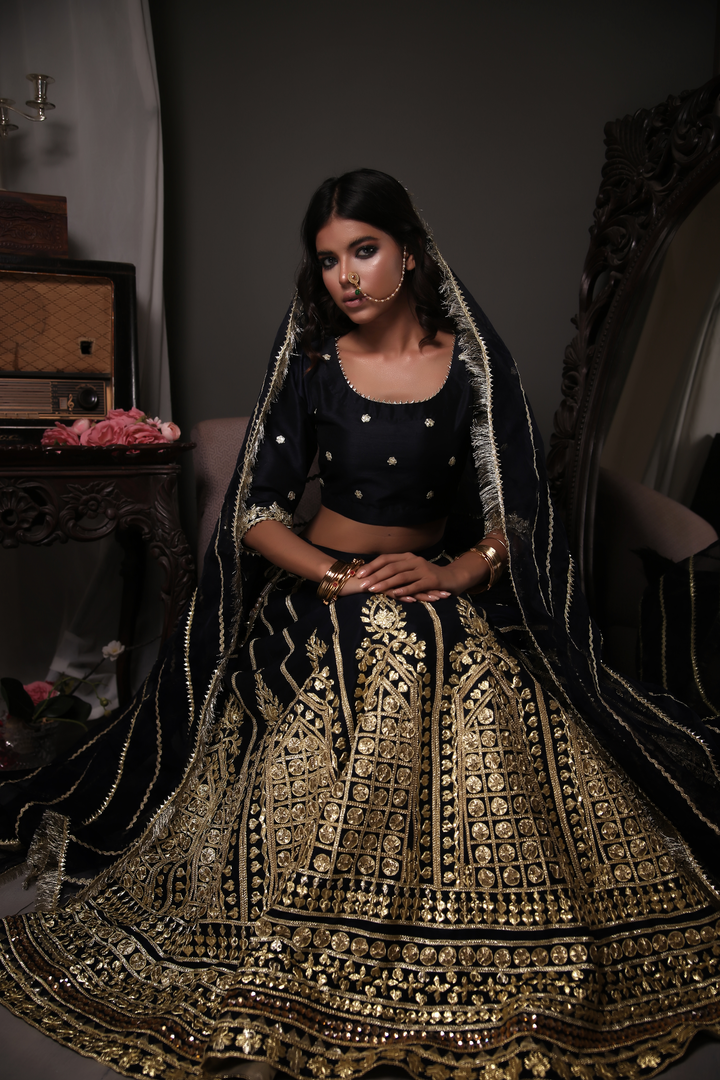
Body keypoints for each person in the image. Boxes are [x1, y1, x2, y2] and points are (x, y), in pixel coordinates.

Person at [0, 168, 719, 1080]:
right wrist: (338, 577)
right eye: (329, 259)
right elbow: (256, 513)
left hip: (430, 591)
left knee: (480, 680)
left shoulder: (473, 370)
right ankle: (313, 946)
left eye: (364, 250)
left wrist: (451, 571)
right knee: (385, 654)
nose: (345, 276)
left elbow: (517, 516)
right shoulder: (313, 368)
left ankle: (454, 929)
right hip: (319, 595)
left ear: (409, 252)